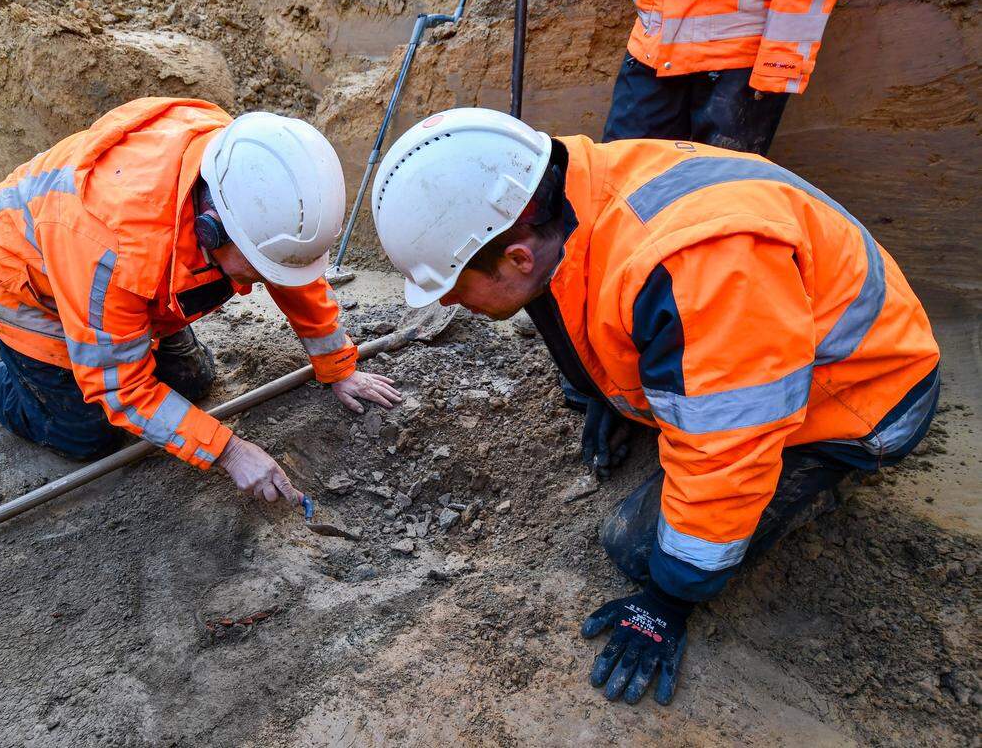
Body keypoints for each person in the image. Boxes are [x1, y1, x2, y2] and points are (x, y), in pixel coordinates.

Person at [370, 108, 940, 706]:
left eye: (456, 286)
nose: (455, 304)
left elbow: (729, 452)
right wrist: (604, 395)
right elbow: (569, 291)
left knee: (640, 547)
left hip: (858, 399)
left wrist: (668, 600)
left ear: (517, 258)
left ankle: (829, 475)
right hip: (751, 350)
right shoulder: (556, 196)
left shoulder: (700, 269)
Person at [0, 97, 400, 507]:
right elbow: (121, 390)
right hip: (17, 276)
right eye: (261, 269)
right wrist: (231, 451)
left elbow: (288, 263)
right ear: (211, 228)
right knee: (87, 434)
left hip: (110, 268)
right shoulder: (111, 255)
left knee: (193, 381)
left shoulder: (244, 169)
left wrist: (340, 367)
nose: (269, 282)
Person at [604, 0, 841, 155]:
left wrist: (778, 64)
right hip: (653, 46)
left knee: (719, 196)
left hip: (740, 58)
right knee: (622, 178)